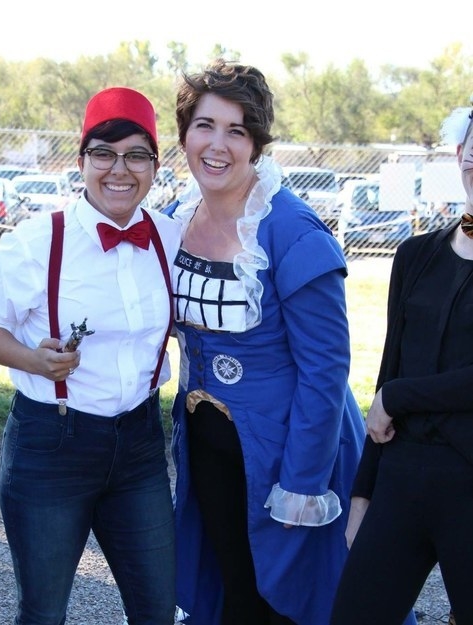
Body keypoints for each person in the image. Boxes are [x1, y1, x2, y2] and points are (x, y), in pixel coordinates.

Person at [164, 58, 372, 625]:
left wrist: (301, 483)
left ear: (257, 143)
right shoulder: (174, 218)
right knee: (233, 584)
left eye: (237, 130)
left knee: (292, 600)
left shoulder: (290, 230)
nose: (217, 144)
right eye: (205, 125)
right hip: (210, 444)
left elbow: (326, 370)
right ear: (184, 133)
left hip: (292, 451)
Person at [0, 87, 180, 625]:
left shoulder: (173, 240)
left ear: (155, 165)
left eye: (136, 155)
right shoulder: (37, 241)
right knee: (43, 613)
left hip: (140, 445)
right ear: (81, 161)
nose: (119, 170)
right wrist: (34, 361)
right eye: (103, 153)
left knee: (159, 608)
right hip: (51, 445)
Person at [330, 103, 473, 625]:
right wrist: (364, 491)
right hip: (404, 476)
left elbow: (396, 394)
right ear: (460, 154)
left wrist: (400, 398)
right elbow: (389, 373)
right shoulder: (416, 255)